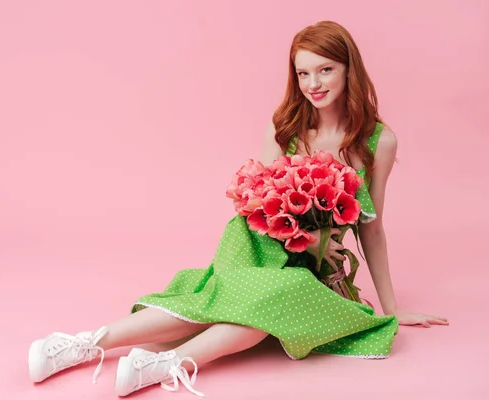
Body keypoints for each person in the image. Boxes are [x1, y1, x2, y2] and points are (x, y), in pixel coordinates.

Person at [27, 20, 448, 397]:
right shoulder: (284, 128)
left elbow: (372, 228)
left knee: (273, 303)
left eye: (325, 69)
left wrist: (391, 308)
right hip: (259, 244)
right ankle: (77, 345)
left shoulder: (378, 141)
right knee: (232, 301)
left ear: (348, 70)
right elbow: (258, 207)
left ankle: (156, 364)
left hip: (313, 268)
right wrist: (312, 236)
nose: (313, 83)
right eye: (303, 73)